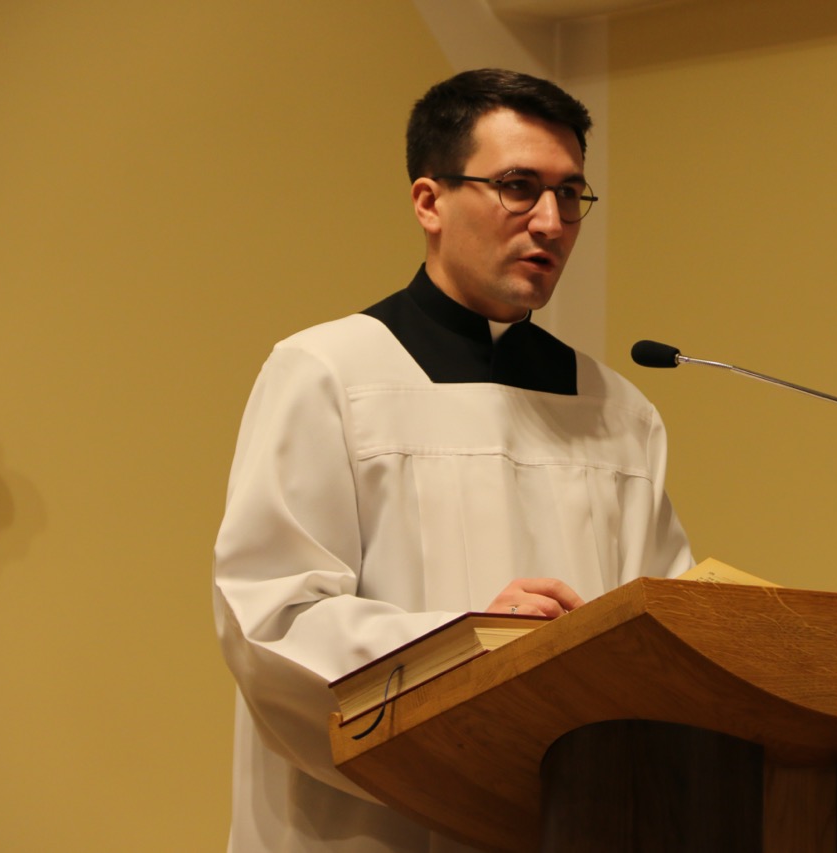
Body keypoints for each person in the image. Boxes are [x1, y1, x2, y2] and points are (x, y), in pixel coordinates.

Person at [213, 68, 693, 852]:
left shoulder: (619, 410)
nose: (551, 221)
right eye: (518, 187)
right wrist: (470, 644)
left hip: (566, 819)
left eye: (571, 194)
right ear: (429, 201)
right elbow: (272, 620)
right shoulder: (329, 373)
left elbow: (657, 626)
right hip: (373, 826)